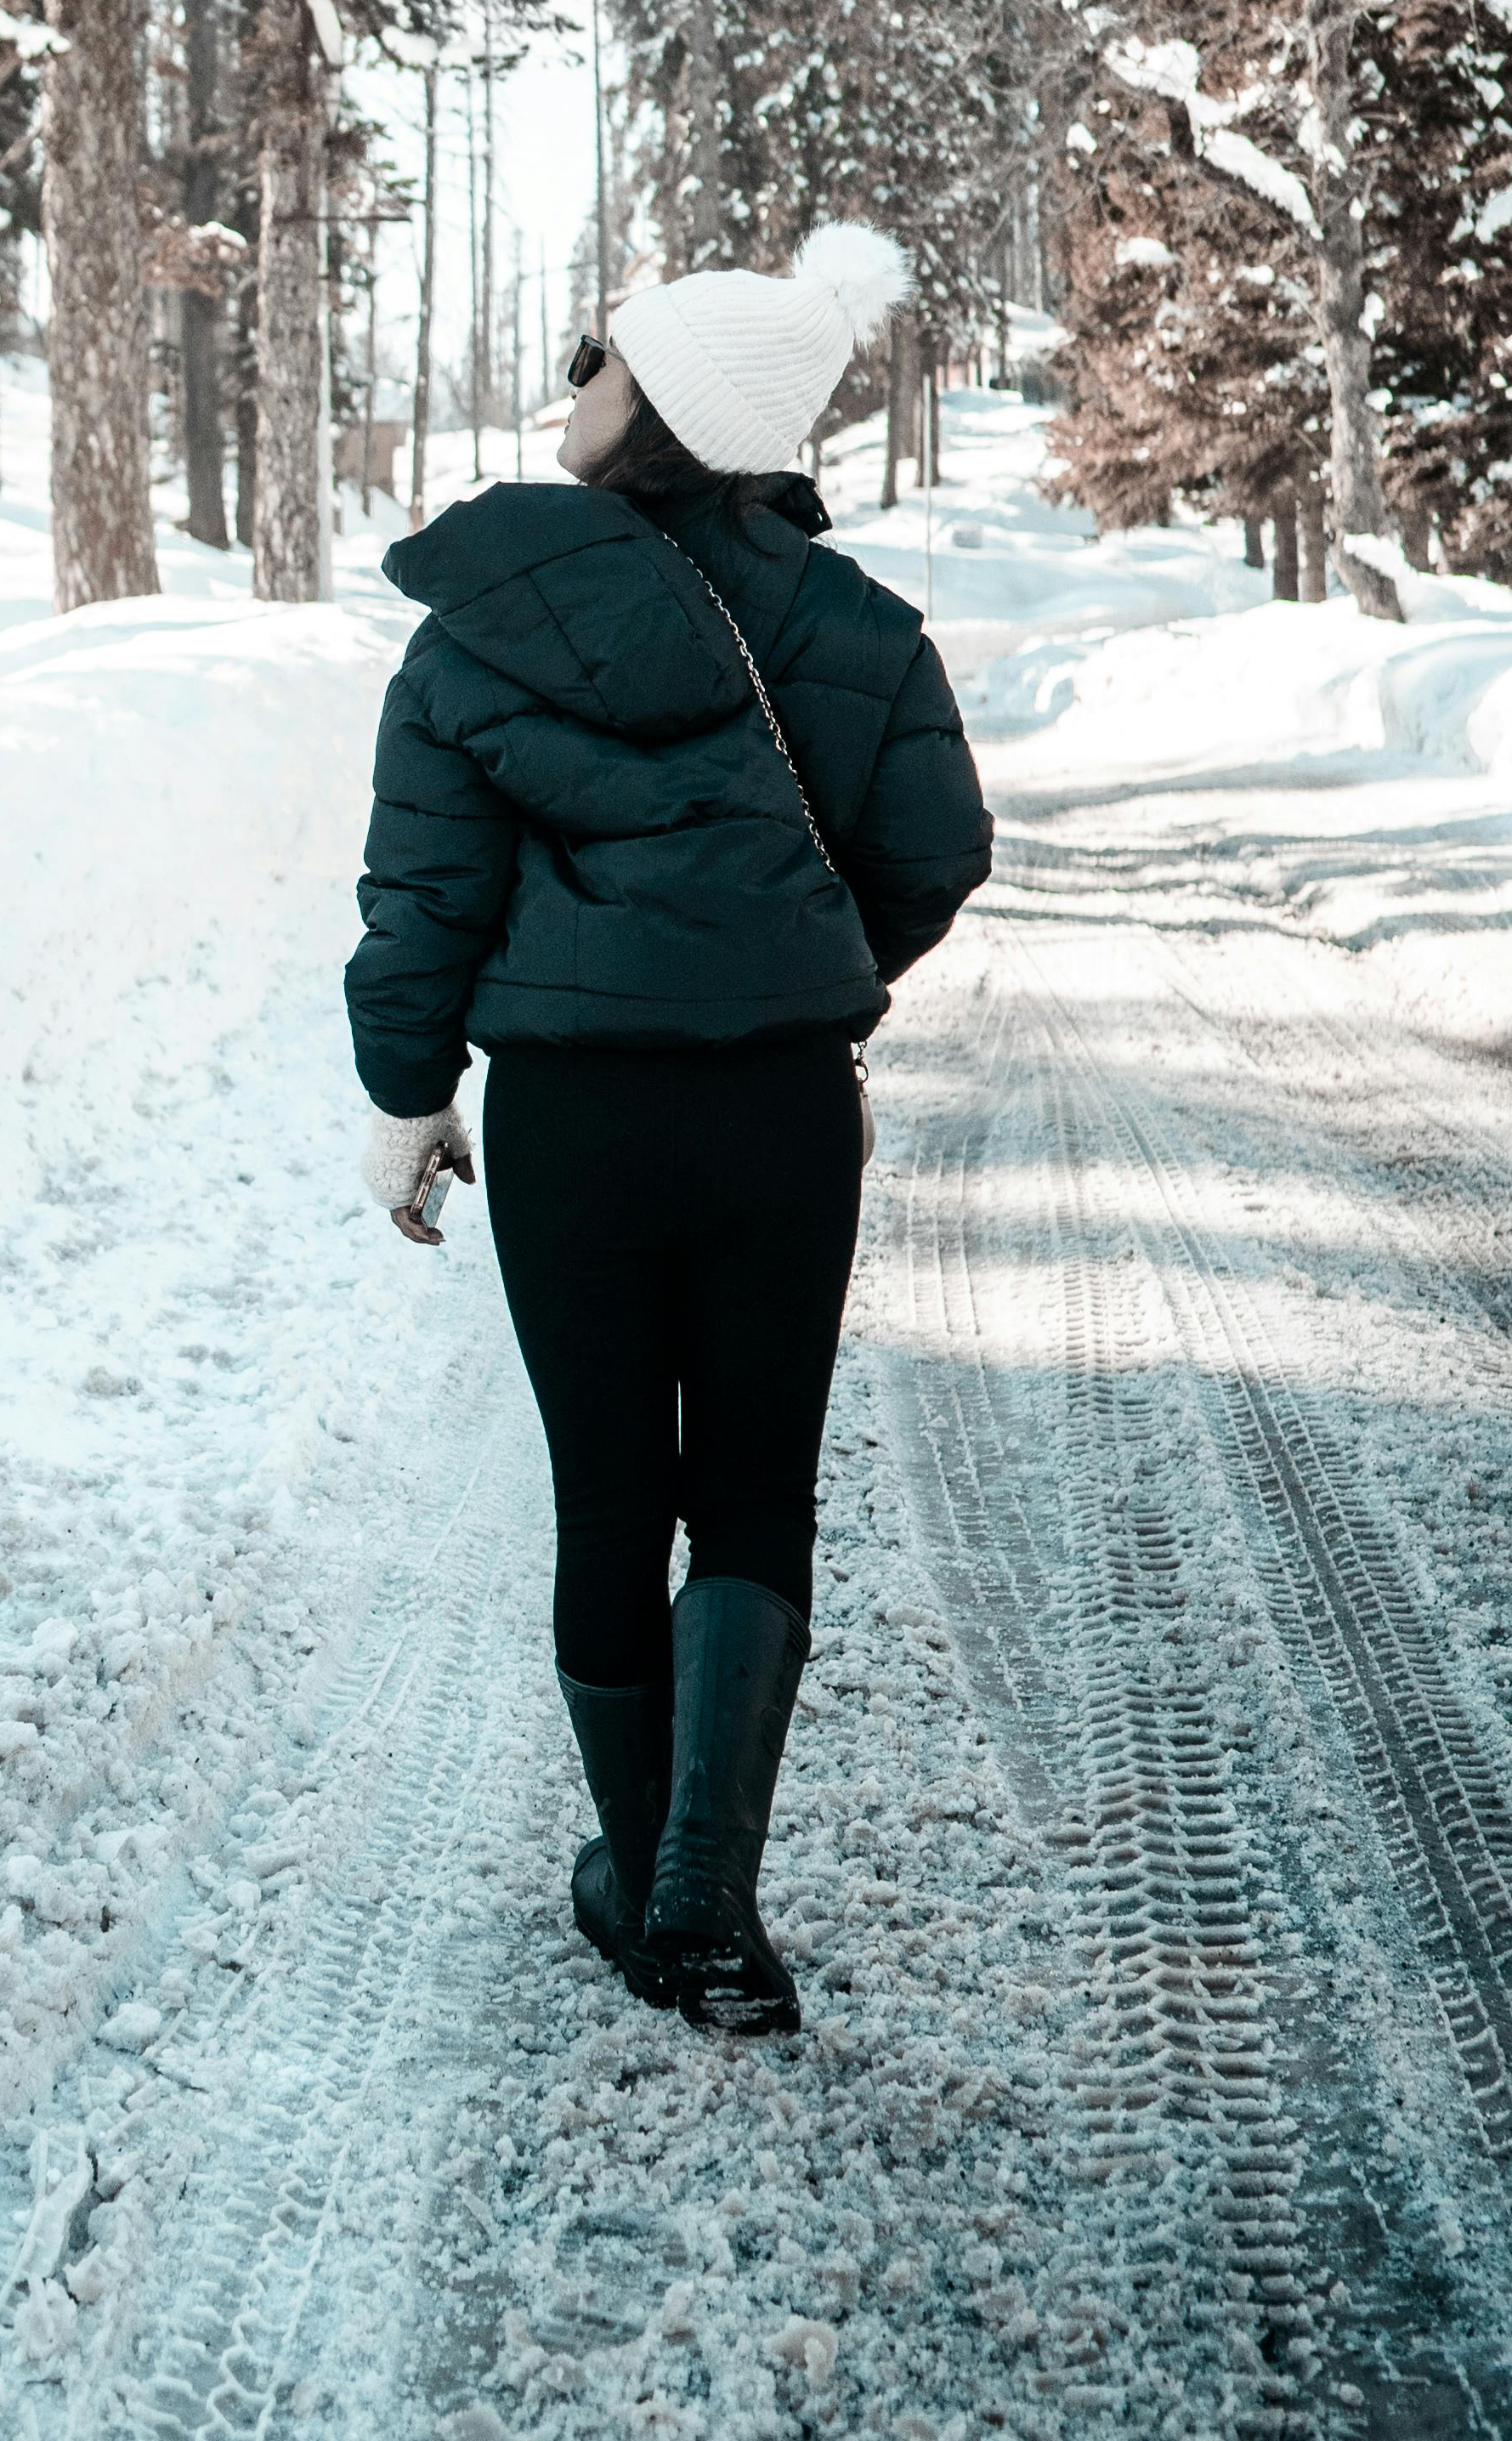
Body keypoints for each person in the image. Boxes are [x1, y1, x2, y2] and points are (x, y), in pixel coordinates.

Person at [343, 224, 992, 2033]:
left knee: (608, 1495)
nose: (573, 386)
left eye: (597, 359)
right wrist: (789, 967)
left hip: (573, 1122)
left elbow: (424, 900)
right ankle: (709, 1891)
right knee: (756, 1489)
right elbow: (934, 855)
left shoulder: (492, 619)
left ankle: (643, 1885)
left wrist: (408, 1100)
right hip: (784, 1110)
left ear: (668, 412)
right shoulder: (861, 631)